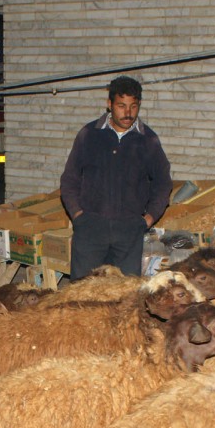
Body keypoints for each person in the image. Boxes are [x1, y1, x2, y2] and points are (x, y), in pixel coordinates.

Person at [60, 75, 172, 279]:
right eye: (121, 106)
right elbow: (70, 179)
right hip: (90, 227)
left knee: (125, 295)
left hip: (129, 230)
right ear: (109, 104)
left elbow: (163, 183)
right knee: (83, 293)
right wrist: (78, 215)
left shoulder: (148, 140)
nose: (128, 113)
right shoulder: (89, 134)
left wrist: (147, 219)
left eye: (133, 106)